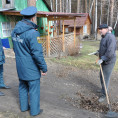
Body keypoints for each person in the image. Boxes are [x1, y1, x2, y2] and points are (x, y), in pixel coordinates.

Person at [11, 6, 47, 116]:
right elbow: (37, 54)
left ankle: (23, 107)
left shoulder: (14, 31)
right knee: (33, 89)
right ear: (33, 18)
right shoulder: (34, 33)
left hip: (20, 65)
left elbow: (14, 48)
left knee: (22, 86)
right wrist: (43, 67)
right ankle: (34, 112)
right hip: (31, 68)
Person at [97, 24, 116, 102]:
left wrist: (103, 58)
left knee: (105, 78)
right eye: (99, 29)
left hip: (109, 61)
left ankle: (104, 95)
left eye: (101, 29)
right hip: (104, 59)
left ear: (106, 29)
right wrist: (98, 52)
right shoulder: (103, 37)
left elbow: (110, 52)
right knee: (101, 76)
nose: (100, 30)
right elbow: (103, 48)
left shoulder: (110, 37)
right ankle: (103, 89)